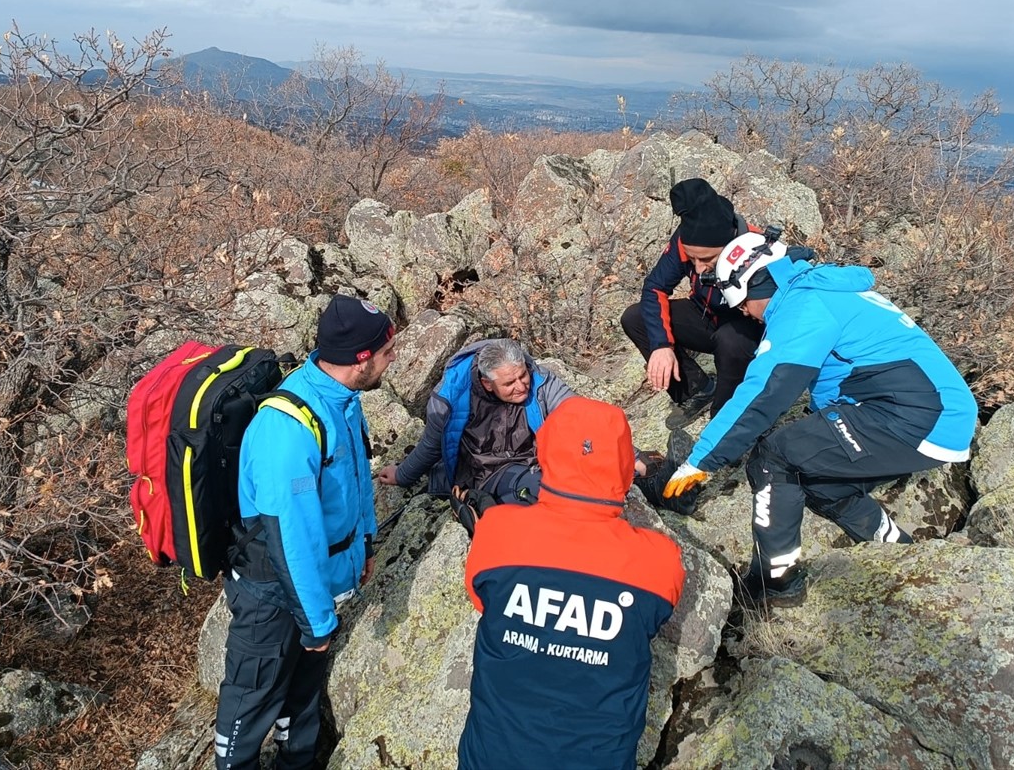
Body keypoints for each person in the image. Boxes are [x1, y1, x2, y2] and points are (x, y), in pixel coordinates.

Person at [662, 232, 978, 604]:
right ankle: (896, 548)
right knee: (821, 481)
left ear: (757, 284)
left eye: (742, 302)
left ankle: (774, 583)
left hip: (916, 417)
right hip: (933, 412)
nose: (743, 312)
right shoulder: (819, 288)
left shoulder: (804, 309)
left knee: (773, 458)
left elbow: (764, 394)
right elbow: (846, 372)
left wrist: (701, 461)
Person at [215, 294, 395, 770]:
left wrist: (366, 544)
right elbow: (288, 537)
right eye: (385, 351)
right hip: (272, 592)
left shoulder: (344, 399)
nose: (392, 359)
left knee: (302, 693)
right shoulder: (287, 428)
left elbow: (355, 478)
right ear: (360, 360)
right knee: (252, 699)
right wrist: (316, 621)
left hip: (316, 583)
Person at [458, 397, 685, 770]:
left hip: (492, 758)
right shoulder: (661, 561)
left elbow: (483, 601)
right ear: (626, 466)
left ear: (544, 453)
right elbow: (652, 618)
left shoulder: (496, 532)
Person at [375, 339, 651, 510]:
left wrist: (633, 457)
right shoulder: (450, 398)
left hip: (543, 458)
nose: (521, 386)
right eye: (509, 383)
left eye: (523, 376)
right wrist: (402, 475)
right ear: (487, 383)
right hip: (490, 473)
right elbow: (431, 446)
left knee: (604, 470)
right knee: (548, 492)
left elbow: (581, 418)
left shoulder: (540, 381)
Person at [620, 177, 765, 428]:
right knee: (636, 318)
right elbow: (655, 286)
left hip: (745, 329)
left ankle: (726, 420)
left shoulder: (758, 248)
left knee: (731, 341)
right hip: (706, 314)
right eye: (691, 258)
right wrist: (661, 345)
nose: (697, 267)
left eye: (706, 258)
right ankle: (696, 390)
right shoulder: (688, 237)